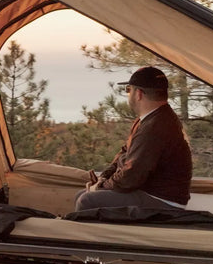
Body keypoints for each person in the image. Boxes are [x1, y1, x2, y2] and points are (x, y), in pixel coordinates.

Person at [74, 66, 192, 211]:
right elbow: (125, 152)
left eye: (128, 89)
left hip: (163, 200)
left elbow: (130, 177)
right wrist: (103, 178)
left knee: (87, 200)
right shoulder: (151, 119)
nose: (128, 94)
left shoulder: (156, 126)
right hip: (149, 192)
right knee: (82, 195)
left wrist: (100, 187)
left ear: (138, 94)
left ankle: (96, 234)